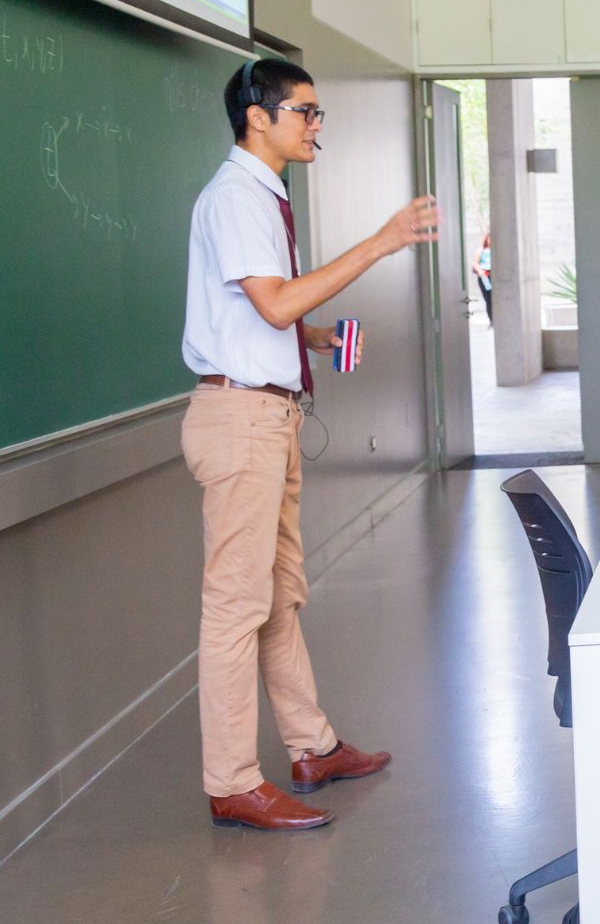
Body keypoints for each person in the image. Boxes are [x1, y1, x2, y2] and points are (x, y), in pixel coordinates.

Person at [181, 58, 435, 831]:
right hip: (240, 423)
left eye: (318, 112)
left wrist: (313, 338)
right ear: (257, 116)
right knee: (236, 607)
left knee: (278, 595)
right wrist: (380, 242)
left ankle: (311, 746)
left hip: (269, 417)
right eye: (305, 111)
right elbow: (275, 302)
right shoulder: (236, 198)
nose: (316, 125)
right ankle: (232, 782)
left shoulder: (264, 195)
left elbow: (265, 314)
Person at [473, 233, 494, 324]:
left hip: (494, 275)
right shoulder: (481, 250)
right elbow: (475, 263)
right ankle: (491, 319)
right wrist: (480, 271)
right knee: (488, 298)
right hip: (485, 276)